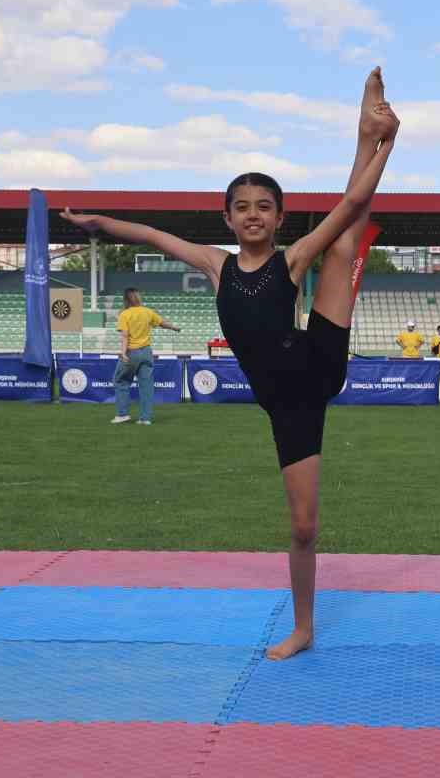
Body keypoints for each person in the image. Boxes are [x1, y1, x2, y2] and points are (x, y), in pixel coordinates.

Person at [60, 68, 399, 660]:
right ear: (227, 218)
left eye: (264, 206)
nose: (252, 215)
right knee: (302, 528)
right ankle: (305, 627)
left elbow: (348, 205)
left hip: (316, 358)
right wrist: (100, 225)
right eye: (241, 207)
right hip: (287, 403)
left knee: (344, 239)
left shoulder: (290, 261)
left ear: (278, 218)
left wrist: (387, 146)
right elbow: (154, 236)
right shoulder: (216, 266)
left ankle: (367, 128)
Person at [111, 287, 181, 426]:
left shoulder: (124, 314)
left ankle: (122, 414)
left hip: (131, 352)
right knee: (146, 385)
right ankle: (145, 418)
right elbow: (162, 323)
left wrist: (123, 353)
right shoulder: (147, 311)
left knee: (120, 381)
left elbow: (125, 335)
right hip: (147, 352)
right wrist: (174, 328)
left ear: (125, 299)